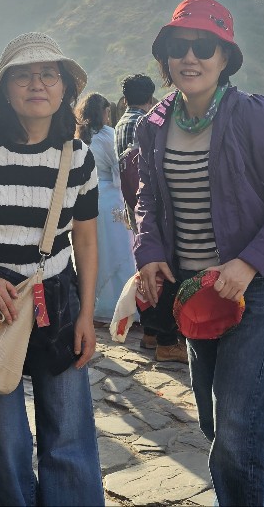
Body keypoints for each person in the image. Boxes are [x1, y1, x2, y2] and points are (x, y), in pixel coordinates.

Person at [132, 0, 264, 505]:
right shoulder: (154, 124)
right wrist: (148, 250)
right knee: (221, 426)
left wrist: (248, 263)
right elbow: (147, 197)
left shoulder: (250, 115)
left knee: (237, 430)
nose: (190, 57)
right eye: (178, 46)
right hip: (194, 292)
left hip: (251, 291)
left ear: (225, 57)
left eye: (204, 46)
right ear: (165, 58)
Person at [0, 32, 104, 506]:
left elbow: (85, 239)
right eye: (24, 76)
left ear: (64, 88)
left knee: (69, 429)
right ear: (5, 90)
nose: (37, 84)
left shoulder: (78, 156)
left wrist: (86, 315)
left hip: (57, 299)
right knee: (3, 433)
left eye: (48, 74)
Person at [113, 73, 176, 354]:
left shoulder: (120, 124)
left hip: (134, 206)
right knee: (160, 272)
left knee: (147, 268)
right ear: (151, 96)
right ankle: (161, 335)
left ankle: (151, 332)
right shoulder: (146, 123)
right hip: (150, 207)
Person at [76, 92, 136, 325]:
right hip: (110, 196)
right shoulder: (108, 135)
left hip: (88, 198)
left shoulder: (80, 137)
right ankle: (123, 306)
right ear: (103, 112)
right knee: (121, 251)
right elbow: (118, 172)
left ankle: (98, 304)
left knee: (97, 251)